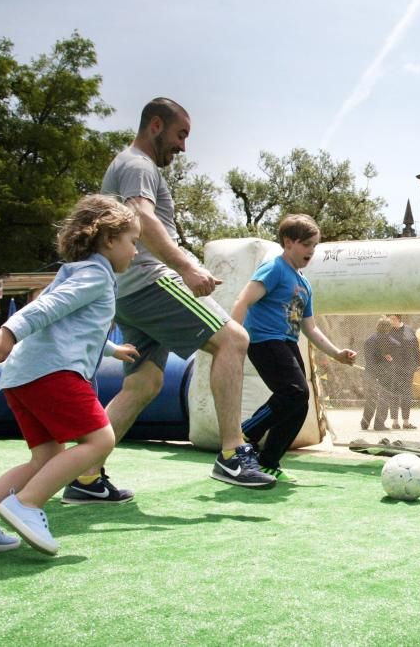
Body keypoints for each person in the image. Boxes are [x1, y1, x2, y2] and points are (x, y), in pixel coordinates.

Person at [68, 97, 275, 501]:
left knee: (144, 383)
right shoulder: (137, 164)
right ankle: (233, 452)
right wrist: (186, 267)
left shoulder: (129, 165)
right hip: (150, 281)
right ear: (157, 126)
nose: (183, 147)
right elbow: (142, 219)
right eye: (181, 135)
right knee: (233, 340)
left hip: (126, 291)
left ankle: (85, 475)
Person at [0, 194, 141, 555]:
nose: (136, 251)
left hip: (23, 375)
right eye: (133, 242)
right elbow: (47, 307)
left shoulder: (74, 273)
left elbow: (72, 327)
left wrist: (114, 350)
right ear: (109, 239)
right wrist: (10, 330)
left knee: (47, 457)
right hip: (53, 373)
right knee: (100, 441)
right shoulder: (96, 275)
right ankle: (28, 503)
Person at [231, 213, 357, 482]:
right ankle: (244, 434)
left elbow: (310, 328)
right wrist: (234, 339)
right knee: (293, 391)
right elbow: (243, 301)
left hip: (287, 344)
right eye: (306, 245)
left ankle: (268, 461)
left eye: (315, 246)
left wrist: (337, 353)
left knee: (299, 404)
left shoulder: (304, 284)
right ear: (288, 243)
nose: (312, 251)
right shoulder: (274, 268)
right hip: (264, 341)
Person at [386, 314, 420, 430]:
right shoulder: (387, 332)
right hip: (393, 368)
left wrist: (419, 364)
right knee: (394, 394)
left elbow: (416, 348)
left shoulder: (409, 330)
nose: (391, 321)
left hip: (408, 369)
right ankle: (395, 422)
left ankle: (406, 422)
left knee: (407, 394)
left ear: (398, 319)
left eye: (393, 319)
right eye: (389, 319)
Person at [361, 317, 396, 431]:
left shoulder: (369, 340)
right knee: (384, 398)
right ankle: (379, 424)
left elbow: (369, 359)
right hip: (385, 373)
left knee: (371, 398)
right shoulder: (390, 341)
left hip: (370, 372)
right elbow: (396, 349)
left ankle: (365, 423)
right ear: (389, 328)